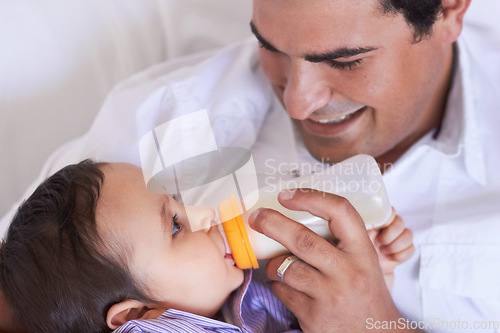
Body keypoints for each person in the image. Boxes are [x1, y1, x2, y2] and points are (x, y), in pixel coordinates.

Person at [1, 0, 499, 331]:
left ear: (449, 9)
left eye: (346, 60)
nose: (299, 104)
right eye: (271, 47)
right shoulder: (166, 128)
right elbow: (32, 294)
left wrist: (378, 316)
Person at [0, 160, 413, 332]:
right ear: (139, 316)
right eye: (176, 226)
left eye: (179, 202)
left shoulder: (247, 291)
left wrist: (375, 272)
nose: (202, 214)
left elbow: (346, 314)